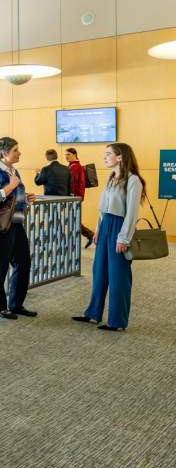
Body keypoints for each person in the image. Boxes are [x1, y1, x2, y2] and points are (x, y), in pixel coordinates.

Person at [72, 142, 145, 332]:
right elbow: (103, 209)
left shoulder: (133, 180)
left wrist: (123, 238)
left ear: (120, 157)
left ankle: (117, 321)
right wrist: (97, 229)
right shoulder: (111, 178)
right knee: (99, 271)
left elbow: (131, 213)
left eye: (108, 154)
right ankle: (93, 314)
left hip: (119, 228)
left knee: (118, 275)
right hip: (105, 228)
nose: (104, 157)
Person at [0, 137, 37, 320]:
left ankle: (16, 304)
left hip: (16, 224)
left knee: (23, 263)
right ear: (4, 153)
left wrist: (25, 197)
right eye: (16, 150)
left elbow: (12, 197)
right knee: (1, 266)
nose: (19, 153)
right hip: (0, 227)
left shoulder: (14, 171)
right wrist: (12, 186)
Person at [64, 147, 95, 248]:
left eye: (68, 154)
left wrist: (70, 196)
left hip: (74, 197)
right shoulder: (73, 166)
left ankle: (90, 235)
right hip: (76, 197)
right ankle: (89, 235)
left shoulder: (75, 167)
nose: (66, 157)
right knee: (72, 219)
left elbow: (72, 183)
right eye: (65, 155)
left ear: (74, 154)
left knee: (72, 220)